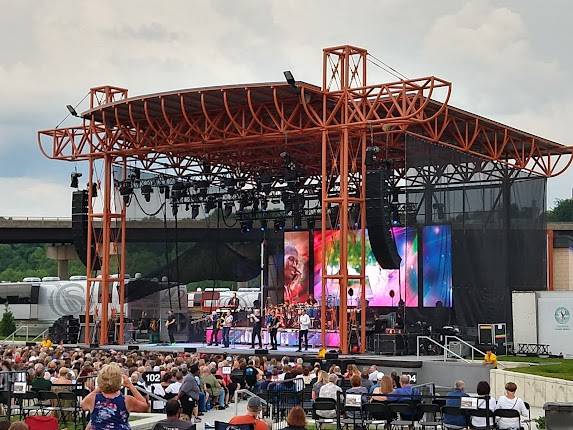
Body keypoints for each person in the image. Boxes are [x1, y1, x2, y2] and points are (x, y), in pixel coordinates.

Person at [81, 363, 148, 430]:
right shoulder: (126, 400)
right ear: (119, 380)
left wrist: (100, 387)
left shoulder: (92, 399)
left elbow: (83, 405)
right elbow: (144, 406)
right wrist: (130, 385)